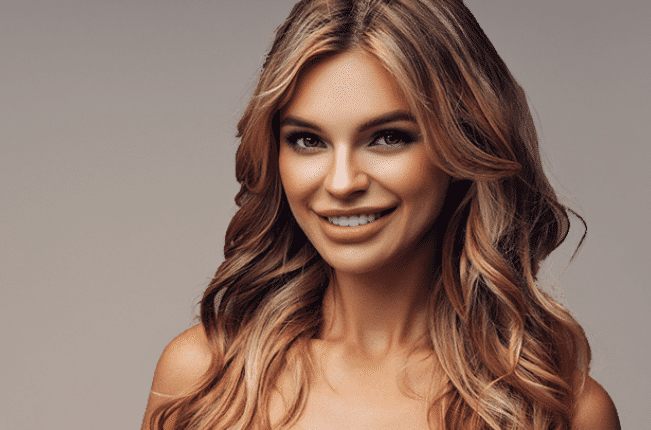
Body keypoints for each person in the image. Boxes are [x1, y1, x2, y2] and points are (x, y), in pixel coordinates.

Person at [141, 0, 620, 429]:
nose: (342, 182)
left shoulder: (559, 412)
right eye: (308, 140)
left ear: (462, 147)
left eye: (388, 137)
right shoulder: (203, 381)